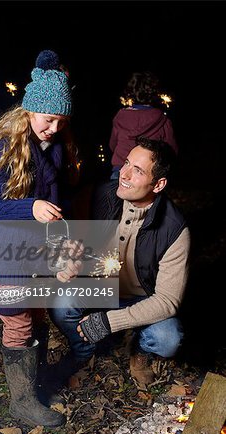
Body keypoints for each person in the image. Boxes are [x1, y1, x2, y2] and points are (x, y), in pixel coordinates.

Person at [0, 50, 81, 427]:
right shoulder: (6, 146)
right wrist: (30, 208)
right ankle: (21, 402)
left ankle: (35, 386)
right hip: (5, 253)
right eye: (48, 119)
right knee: (17, 323)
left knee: (36, 317)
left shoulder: (49, 149)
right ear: (30, 111)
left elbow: (54, 205)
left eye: (61, 121)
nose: (54, 127)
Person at [49, 136, 190, 388]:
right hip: (101, 287)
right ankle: (83, 350)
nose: (123, 174)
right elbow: (63, 230)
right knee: (61, 303)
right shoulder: (102, 194)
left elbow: (168, 301)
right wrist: (65, 259)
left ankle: (140, 351)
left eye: (137, 171)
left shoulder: (175, 229)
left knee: (168, 339)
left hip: (145, 297)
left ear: (158, 184)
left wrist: (108, 322)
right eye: (126, 163)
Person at [109, 71, 178, 180]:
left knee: (113, 197)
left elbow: (113, 145)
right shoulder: (163, 120)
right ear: (155, 93)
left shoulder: (121, 116)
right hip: (147, 175)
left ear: (131, 92)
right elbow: (172, 151)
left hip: (121, 171)